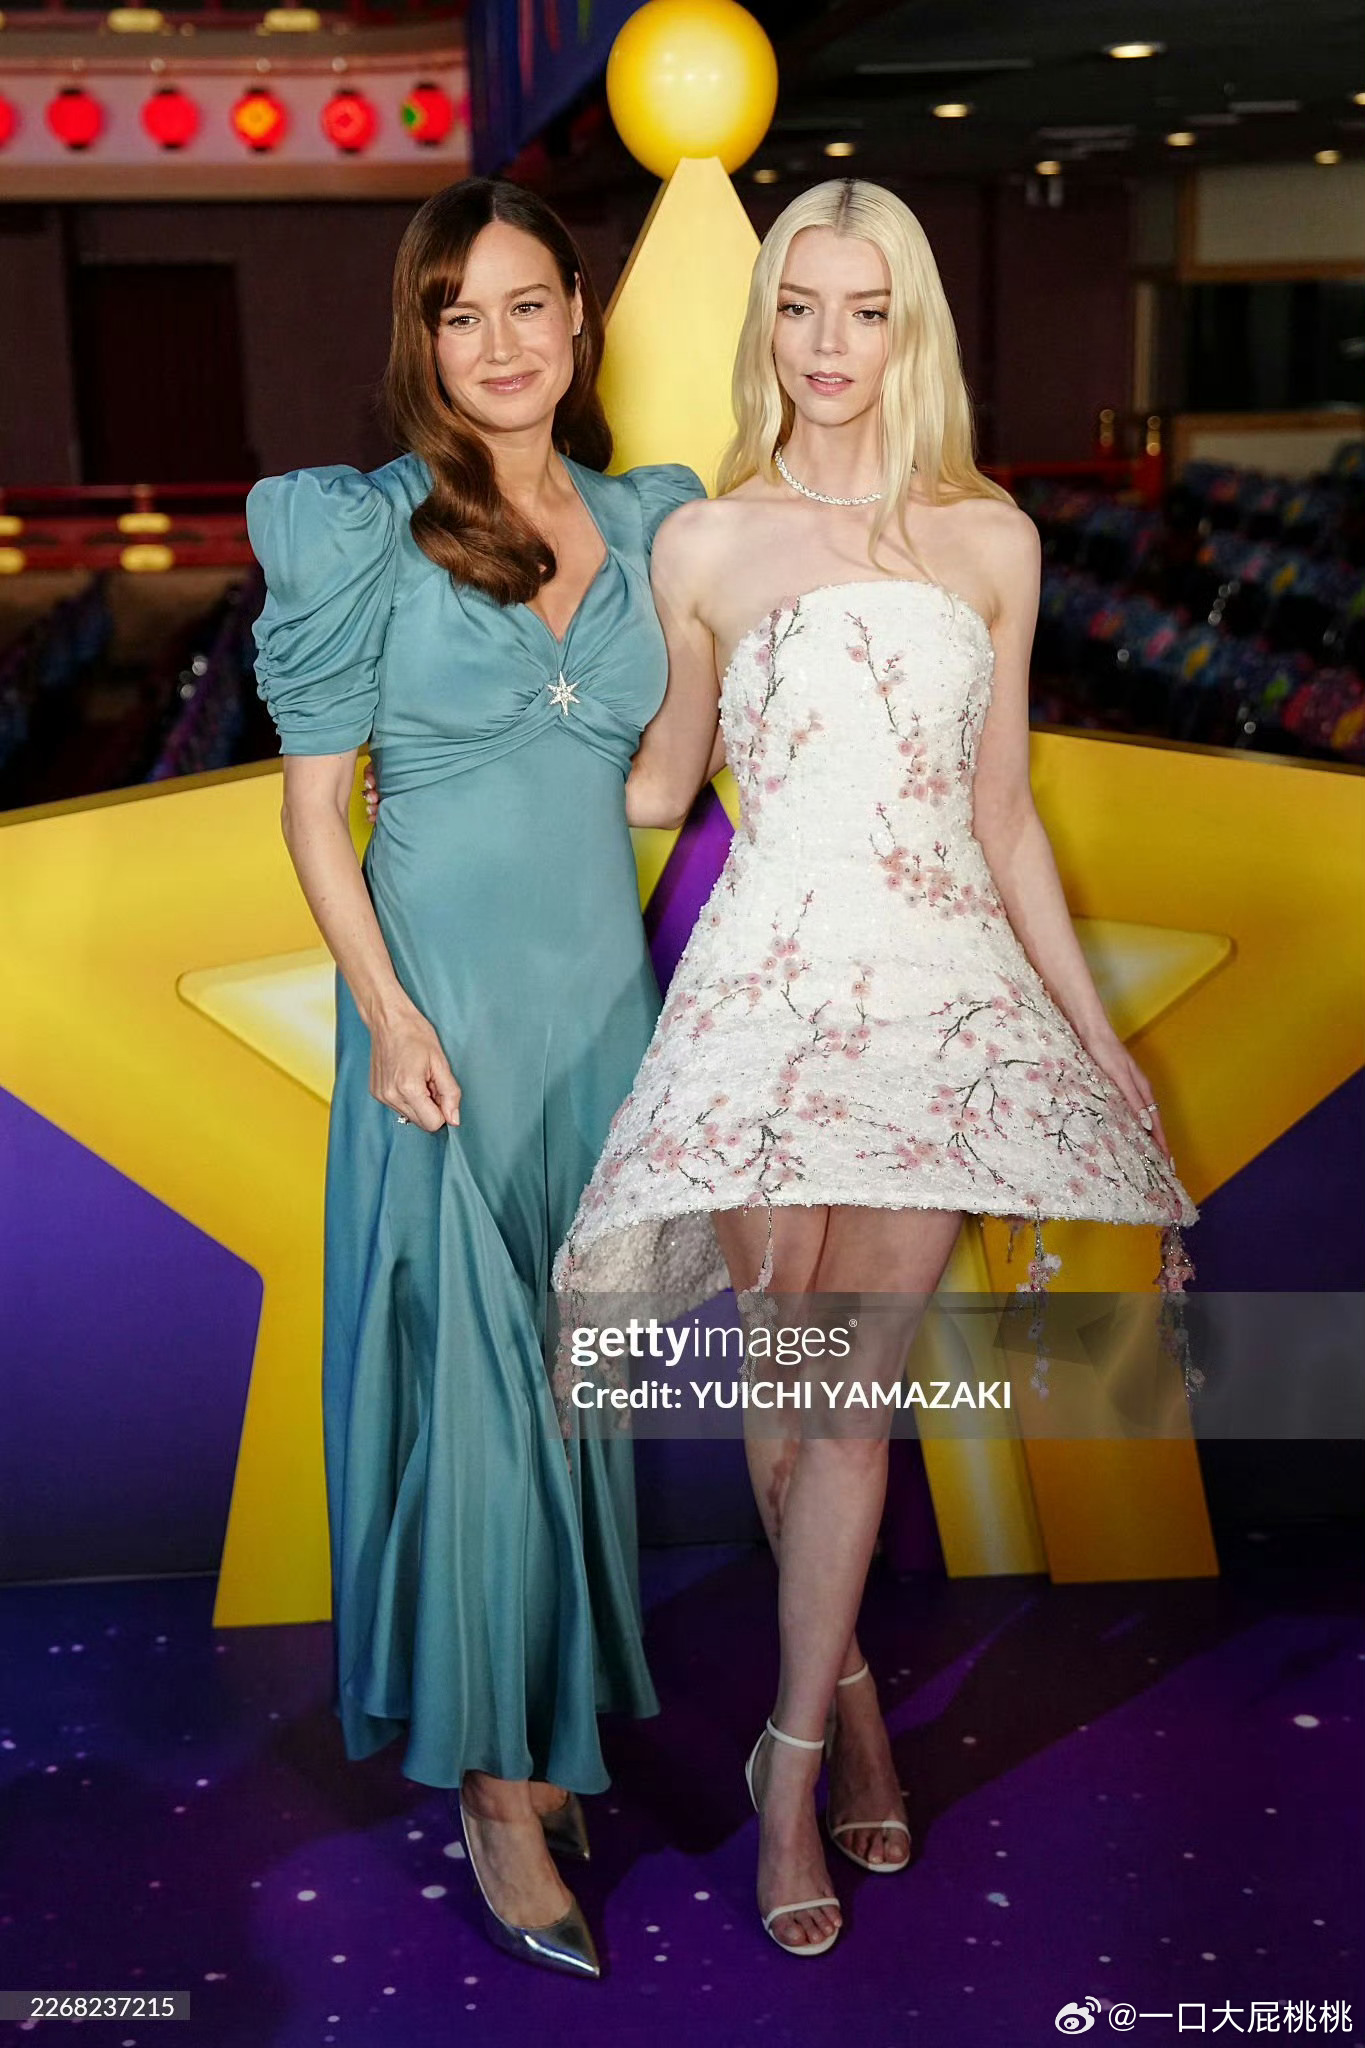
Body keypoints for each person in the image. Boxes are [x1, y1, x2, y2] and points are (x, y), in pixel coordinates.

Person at [551, 178, 1199, 1959]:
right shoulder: (704, 543)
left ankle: (783, 1773)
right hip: (762, 993)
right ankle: (841, 1708)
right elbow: (658, 786)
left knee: (848, 1401)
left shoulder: (989, 541)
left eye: (863, 309)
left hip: (933, 1002)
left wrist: (1090, 1032)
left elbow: (1002, 814)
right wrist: (481, 748)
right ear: (764, 320)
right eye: (798, 306)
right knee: (785, 1401)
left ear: (907, 326)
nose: (826, 344)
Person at [246, 176, 704, 1980]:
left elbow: (651, 792)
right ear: (422, 341)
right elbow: (314, 812)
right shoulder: (361, 528)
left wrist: (710, 660)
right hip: (439, 1028)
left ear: (579, 316)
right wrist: (389, 1015)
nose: (500, 344)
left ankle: (546, 1716)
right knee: (479, 1414)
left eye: (527, 304)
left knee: (577, 1400)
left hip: (599, 1022)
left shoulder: (651, 521)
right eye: (461, 315)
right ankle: (498, 1789)